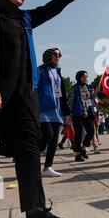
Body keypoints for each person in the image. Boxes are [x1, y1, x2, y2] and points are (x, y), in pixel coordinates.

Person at [0, 0, 96, 218]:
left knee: (29, 148)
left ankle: (35, 210)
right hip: (1, 94)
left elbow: (54, 7)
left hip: (25, 95)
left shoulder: (26, 19)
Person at [37, 48, 71, 177]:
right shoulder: (39, 70)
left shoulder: (57, 72)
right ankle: (29, 158)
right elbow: (34, 89)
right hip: (44, 109)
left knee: (54, 141)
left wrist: (66, 113)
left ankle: (47, 168)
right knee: (47, 136)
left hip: (57, 111)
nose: (58, 56)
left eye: (60, 55)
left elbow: (61, 93)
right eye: (56, 54)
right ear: (48, 56)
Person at [69, 71, 95, 162]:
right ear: (79, 77)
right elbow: (71, 102)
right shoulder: (74, 88)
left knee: (91, 131)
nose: (85, 78)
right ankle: (77, 155)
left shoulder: (88, 87)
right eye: (83, 77)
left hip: (87, 113)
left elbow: (90, 100)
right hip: (78, 114)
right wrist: (69, 114)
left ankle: (83, 148)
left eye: (86, 77)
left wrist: (93, 94)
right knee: (78, 135)